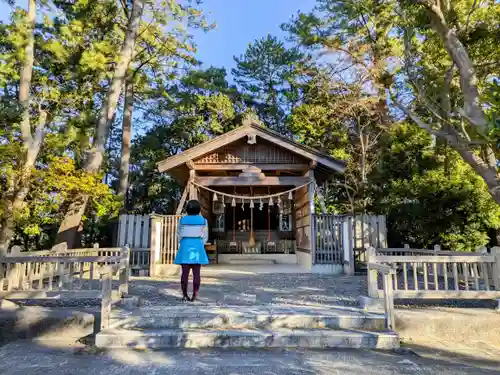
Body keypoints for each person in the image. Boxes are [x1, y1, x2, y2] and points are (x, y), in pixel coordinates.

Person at [174, 200, 209, 302]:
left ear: (187, 209)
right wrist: (199, 244)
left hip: (185, 246)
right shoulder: (203, 221)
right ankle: (195, 295)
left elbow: (178, 235)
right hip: (197, 246)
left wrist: (182, 243)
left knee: (184, 273)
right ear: (199, 209)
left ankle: (185, 295)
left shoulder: (182, 220)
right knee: (196, 273)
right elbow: (205, 236)